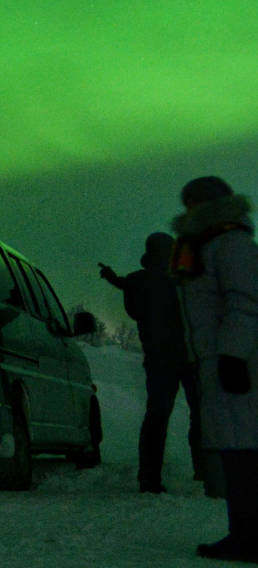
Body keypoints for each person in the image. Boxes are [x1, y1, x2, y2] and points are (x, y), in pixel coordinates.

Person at [173, 176, 258, 562]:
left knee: (244, 451)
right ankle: (244, 534)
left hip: (240, 365)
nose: (187, 209)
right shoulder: (204, 245)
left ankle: (248, 537)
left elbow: (245, 303)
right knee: (236, 451)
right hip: (221, 363)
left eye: (193, 203)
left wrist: (232, 356)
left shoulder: (232, 244)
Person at [100, 232, 203, 492]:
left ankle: (149, 477)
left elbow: (135, 304)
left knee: (157, 417)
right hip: (192, 358)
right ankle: (205, 471)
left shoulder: (138, 281)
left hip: (159, 361)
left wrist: (115, 280)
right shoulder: (185, 279)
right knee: (201, 415)